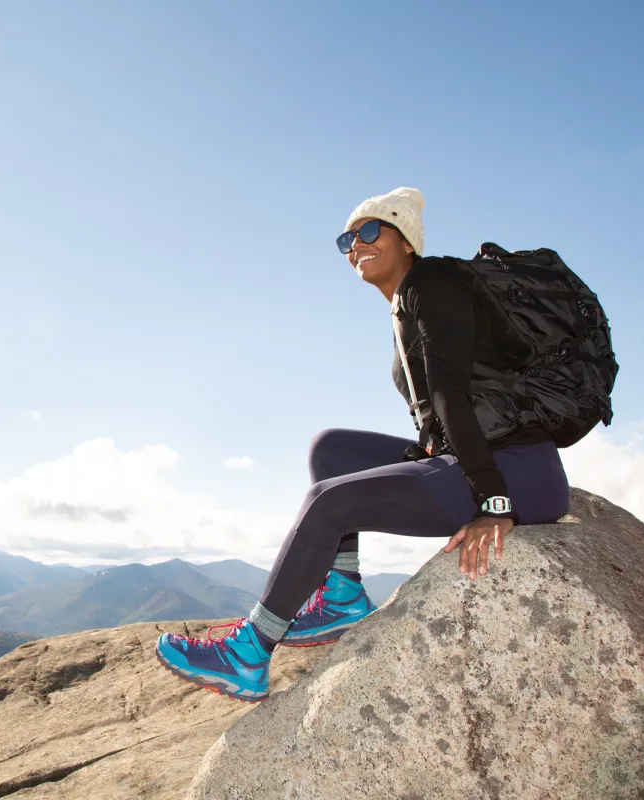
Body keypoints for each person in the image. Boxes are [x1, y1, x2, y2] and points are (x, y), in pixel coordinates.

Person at [153, 187, 572, 703]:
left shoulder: (433, 283)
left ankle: (249, 652)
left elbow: (450, 393)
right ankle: (343, 595)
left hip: (518, 472)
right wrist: (429, 450)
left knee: (328, 503)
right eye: (348, 238)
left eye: (371, 231)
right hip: (478, 456)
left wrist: (494, 502)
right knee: (330, 449)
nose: (357, 245)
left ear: (407, 241)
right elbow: (455, 401)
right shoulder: (405, 308)